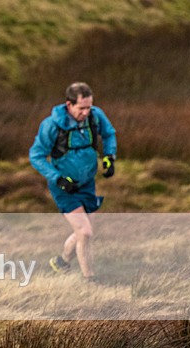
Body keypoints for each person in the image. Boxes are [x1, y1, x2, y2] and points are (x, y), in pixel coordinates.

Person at [29, 82, 117, 282]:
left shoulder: (95, 116)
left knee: (83, 232)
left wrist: (110, 157)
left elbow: (109, 133)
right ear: (69, 105)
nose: (86, 112)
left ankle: (61, 262)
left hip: (87, 183)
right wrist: (57, 178)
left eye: (89, 107)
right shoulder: (51, 125)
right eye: (81, 108)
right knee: (85, 232)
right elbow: (36, 156)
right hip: (64, 188)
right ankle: (90, 280)